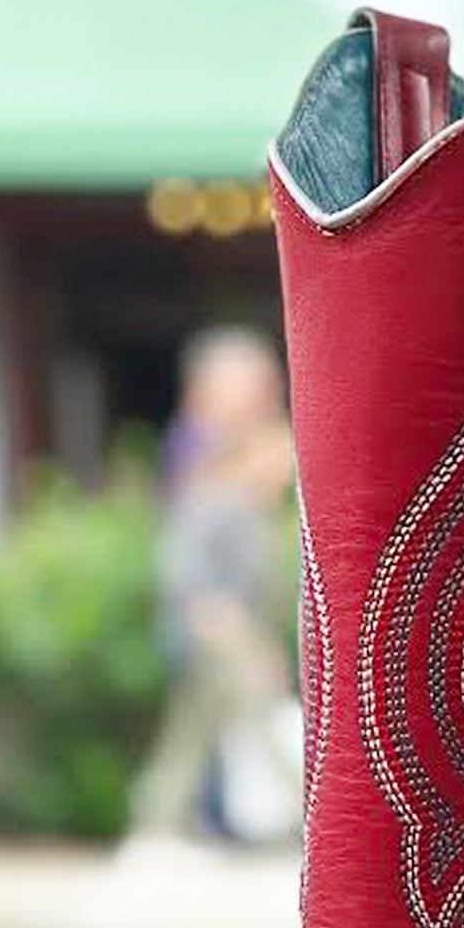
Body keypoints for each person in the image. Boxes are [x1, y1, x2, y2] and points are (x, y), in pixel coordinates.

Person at [131, 326, 300, 841]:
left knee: (195, 734)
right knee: (248, 719)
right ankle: (300, 813)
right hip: (209, 633)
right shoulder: (210, 492)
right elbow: (187, 573)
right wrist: (223, 628)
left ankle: (163, 819)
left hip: (228, 633)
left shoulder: (246, 506)